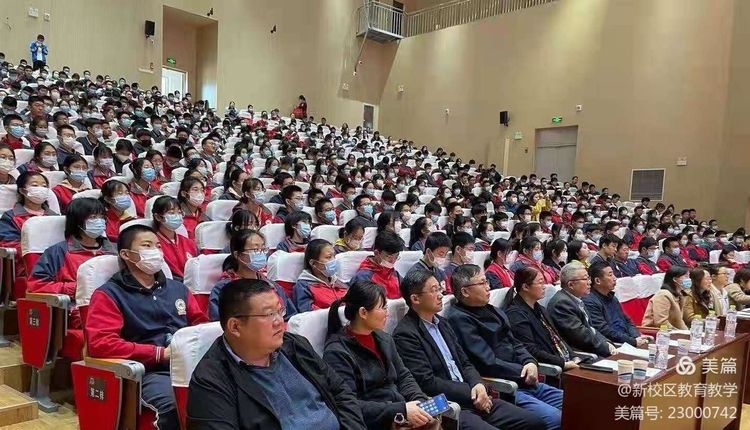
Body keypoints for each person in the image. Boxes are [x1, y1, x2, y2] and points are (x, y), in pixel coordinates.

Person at [187, 278, 366, 429]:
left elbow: (341, 393)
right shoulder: (210, 381)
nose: (280, 321)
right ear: (235, 327)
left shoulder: (294, 344)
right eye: (269, 314)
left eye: (280, 311)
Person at [86, 225, 207, 430]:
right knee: (178, 405)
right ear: (126, 254)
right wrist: (159, 354)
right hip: (148, 372)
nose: (156, 251)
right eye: (147, 245)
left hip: (190, 363)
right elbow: (101, 344)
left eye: (158, 246)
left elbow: (200, 325)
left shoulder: (178, 288)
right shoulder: (109, 294)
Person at [393, 270, 546, 430]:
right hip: (449, 405)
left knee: (534, 422)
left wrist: (478, 384)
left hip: (474, 394)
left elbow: (465, 363)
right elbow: (428, 383)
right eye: (433, 290)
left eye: (439, 288)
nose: (440, 295)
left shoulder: (443, 323)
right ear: (415, 299)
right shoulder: (406, 334)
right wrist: (473, 392)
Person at [447, 264, 563, 429]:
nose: (488, 287)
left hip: (525, 379)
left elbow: (515, 343)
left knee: (575, 402)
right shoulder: (459, 319)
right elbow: (488, 362)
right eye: (482, 283)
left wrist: (530, 362)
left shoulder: (493, 310)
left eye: (487, 282)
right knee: (554, 418)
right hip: (504, 385)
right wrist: (522, 372)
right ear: (465, 291)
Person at [324, 280, 441, 429]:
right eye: (383, 308)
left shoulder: (383, 338)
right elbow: (349, 404)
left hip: (399, 411)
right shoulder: (337, 352)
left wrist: (419, 401)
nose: (387, 313)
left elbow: (403, 375)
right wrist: (401, 410)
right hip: (376, 422)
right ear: (363, 312)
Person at [27, 198, 116, 301]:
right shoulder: (58, 252)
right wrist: (77, 288)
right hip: (76, 305)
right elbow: (37, 285)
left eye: (102, 217)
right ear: (77, 221)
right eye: (93, 217)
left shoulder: (114, 250)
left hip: (111, 303)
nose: (99, 221)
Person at [504, 267, 584, 371]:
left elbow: (557, 337)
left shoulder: (540, 309)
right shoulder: (515, 314)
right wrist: (563, 363)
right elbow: (531, 350)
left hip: (566, 361)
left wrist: (573, 356)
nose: (544, 287)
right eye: (540, 283)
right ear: (525, 287)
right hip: (553, 368)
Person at [207, 229, 296, 321]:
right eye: (255, 250)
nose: (261, 254)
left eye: (263, 249)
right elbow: (219, 322)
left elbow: (290, 317)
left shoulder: (272, 286)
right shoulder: (223, 288)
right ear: (237, 255)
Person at [546, 262, 615, 357]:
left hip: (592, 350)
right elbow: (582, 336)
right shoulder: (562, 304)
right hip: (580, 356)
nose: (589, 282)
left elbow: (591, 329)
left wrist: (607, 343)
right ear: (571, 284)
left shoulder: (576, 299)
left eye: (588, 278)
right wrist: (607, 348)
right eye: (585, 279)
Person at [582, 262, 650, 347]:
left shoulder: (613, 298)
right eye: (610, 275)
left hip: (627, 340)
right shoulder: (589, 301)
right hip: (614, 345)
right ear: (597, 281)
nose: (615, 278)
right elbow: (604, 331)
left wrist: (636, 336)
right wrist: (632, 341)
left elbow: (627, 321)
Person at [293, 239, 348, 312]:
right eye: (328, 257)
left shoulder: (338, 281)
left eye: (334, 256)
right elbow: (308, 313)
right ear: (313, 263)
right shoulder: (303, 286)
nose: (334, 260)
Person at [151, 196, 197, 280]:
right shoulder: (154, 244)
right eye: (171, 213)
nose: (177, 216)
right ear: (158, 217)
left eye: (179, 212)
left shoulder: (189, 242)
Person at [351, 231, 403, 299]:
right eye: (389, 257)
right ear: (376, 253)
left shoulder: (394, 273)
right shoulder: (363, 276)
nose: (393, 261)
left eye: (396, 257)